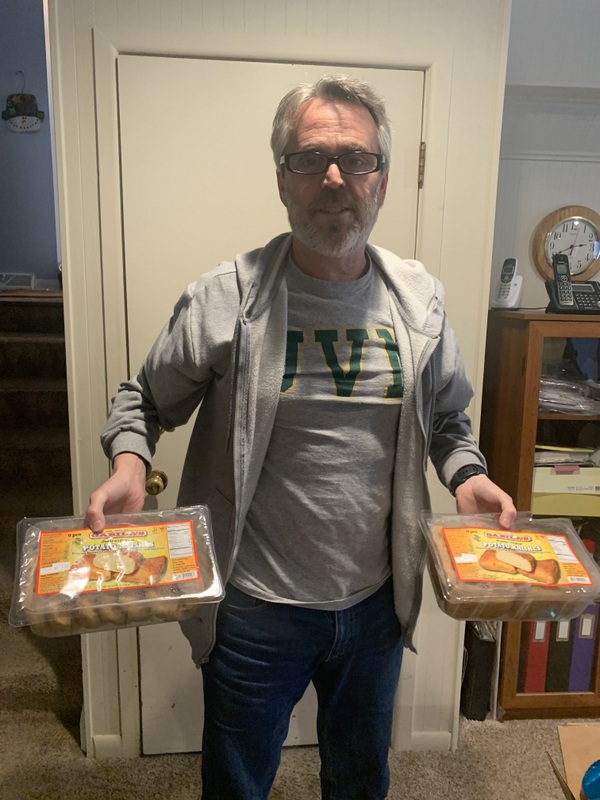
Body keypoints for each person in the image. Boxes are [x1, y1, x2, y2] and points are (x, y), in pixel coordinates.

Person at [86, 75, 516, 800]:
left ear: (383, 180)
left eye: (358, 159)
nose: (335, 178)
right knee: (238, 782)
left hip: (377, 604)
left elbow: (446, 419)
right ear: (283, 179)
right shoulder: (226, 297)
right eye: (311, 159)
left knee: (360, 779)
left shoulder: (420, 301)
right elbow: (144, 400)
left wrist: (467, 477)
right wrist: (130, 463)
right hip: (254, 609)